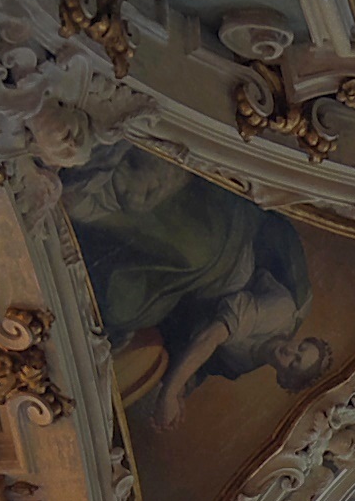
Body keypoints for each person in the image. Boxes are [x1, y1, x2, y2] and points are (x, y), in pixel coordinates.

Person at [67, 147, 334, 427]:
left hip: (195, 294)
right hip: (225, 253)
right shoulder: (281, 312)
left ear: (283, 377)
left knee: (125, 312)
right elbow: (212, 335)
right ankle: (93, 205)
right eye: (300, 350)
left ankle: (77, 245)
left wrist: (185, 386)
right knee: (193, 255)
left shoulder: (242, 363)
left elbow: (203, 356)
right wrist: (170, 391)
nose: (291, 355)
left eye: (294, 365)